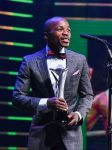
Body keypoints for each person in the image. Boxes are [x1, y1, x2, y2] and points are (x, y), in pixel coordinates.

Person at [12, 16, 93, 150]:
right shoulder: (30, 62)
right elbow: (17, 98)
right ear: (46, 35)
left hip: (71, 136)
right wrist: (47, 102)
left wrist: (79, 114)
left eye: (68, 30)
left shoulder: (79, 60)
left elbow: (87, 95)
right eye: (60, 29)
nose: (66, 33)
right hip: (41, 134)